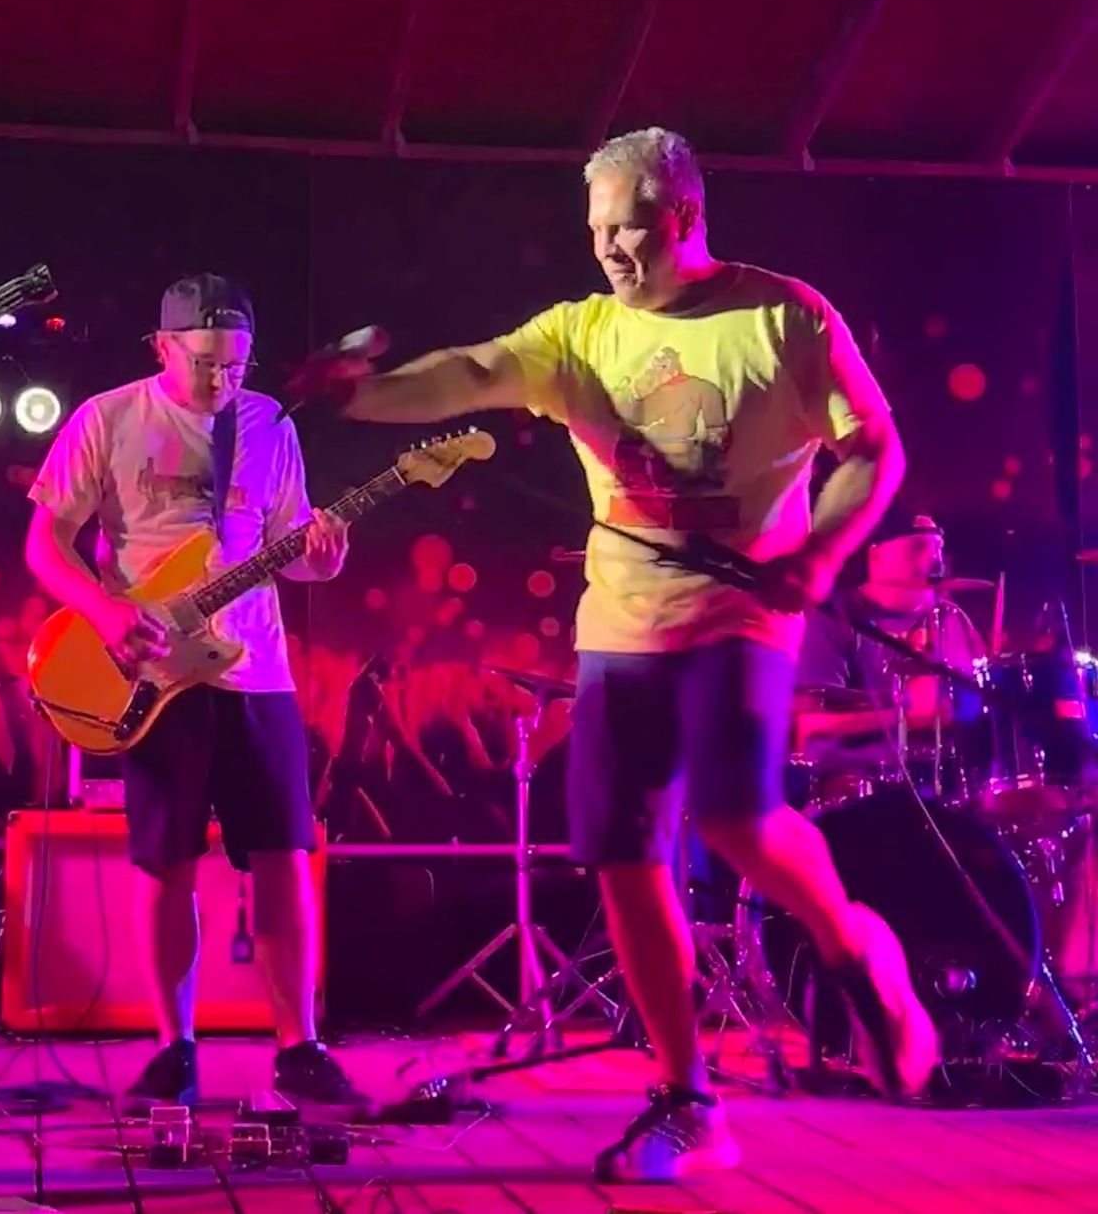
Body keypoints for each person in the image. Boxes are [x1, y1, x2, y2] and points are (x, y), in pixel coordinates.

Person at [331, 127, 938, 1180]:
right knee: (622, 849)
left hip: (741, 614)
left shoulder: (782, 316)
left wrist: (818, 556)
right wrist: (357, 393)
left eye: (629, 226)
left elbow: (874, 453)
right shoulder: (579, 333)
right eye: (596, 230)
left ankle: (852, 941)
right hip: (620, 621)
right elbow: (471, 371)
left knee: (738, 819)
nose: (610, 247)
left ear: (684, 216)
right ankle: (687, 1097)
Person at [24, 274, 367, 1113]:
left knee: (285, 855)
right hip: (150, 672)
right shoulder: (107, 418)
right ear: (163, 347)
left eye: (237, 365)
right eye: (207, 362)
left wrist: (324, 557)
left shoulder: (269, 423)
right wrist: (107, 612)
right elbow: (45, 544)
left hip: (256, 666)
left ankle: (299, 1047)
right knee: (165, 861)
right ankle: (173, 1048)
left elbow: (293, 549)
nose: (223, 379)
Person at [795, 511, 985, 796]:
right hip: (858, 784)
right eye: (919, 546)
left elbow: (977, 708)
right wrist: (904, 712)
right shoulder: (833, 620)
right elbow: (810, 725)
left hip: (947, 781)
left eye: (938, 547)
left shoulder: (951, 619)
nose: (935, 559)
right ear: (876, 555)